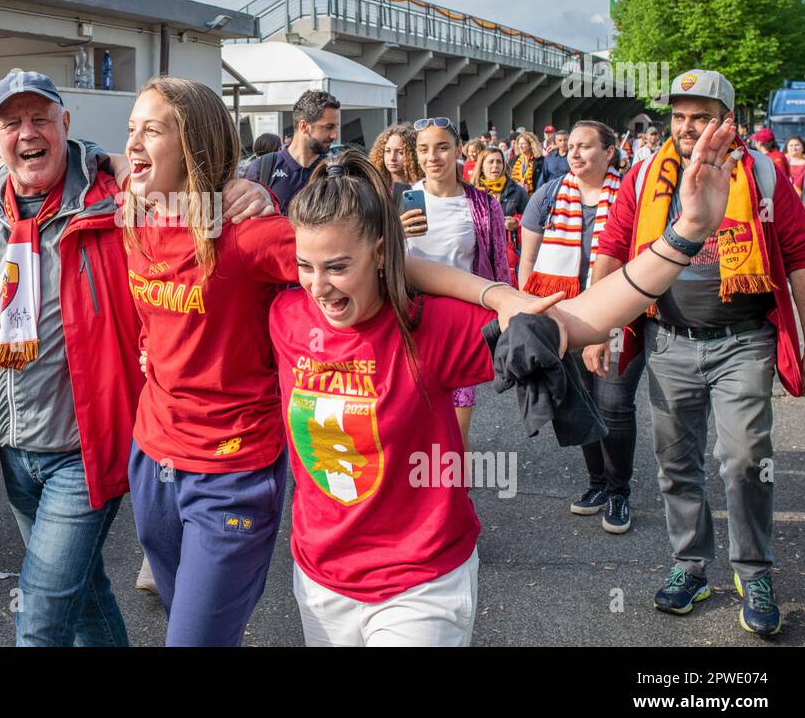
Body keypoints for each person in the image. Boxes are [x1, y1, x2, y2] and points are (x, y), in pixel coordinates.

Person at [0, 69, 272, 647]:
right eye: (12, 122)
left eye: (40, 117)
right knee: (86, 599)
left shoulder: (123, 208)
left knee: (41, 619)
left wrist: (249, 191)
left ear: (65, 125)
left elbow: (190, 195)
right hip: (12, 453)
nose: (28, 132)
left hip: (85, 456)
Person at [271, 122, 739, 646]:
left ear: (381, 254)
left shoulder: (430, 327)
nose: (319, 287)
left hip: (419, 586)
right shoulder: (286, 314)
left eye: (337, 267)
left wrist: (686, 233)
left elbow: (579, 320)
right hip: (317, 580)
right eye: (305, 267)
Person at [121, 78, 549, 646]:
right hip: (151, 453)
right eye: (132, 129)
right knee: (182, 619)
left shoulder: (246, 235)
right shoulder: (131, 204)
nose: (133, 143)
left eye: (151, 130)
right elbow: (84, 176)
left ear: (195, 142)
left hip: (230, 465)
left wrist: (495, 295)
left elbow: (378, 261)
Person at [594, 69, 805, 636]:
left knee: (744, 460)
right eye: (680, 115)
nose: (688, 126)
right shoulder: (645, 175)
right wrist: (598, 327)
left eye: (702, 115)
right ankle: (690, 565)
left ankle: (754, 570)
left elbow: (799, 255)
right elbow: (613, 250)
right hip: (668, 343)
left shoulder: (763, 173)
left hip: (744, 342)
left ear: (727, 120)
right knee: (676, 466)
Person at [519, 121, 642, 534]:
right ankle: (596, 485)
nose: (574, 154)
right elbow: (528, 257)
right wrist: (526, 306)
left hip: (621, 316)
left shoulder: (631, 196)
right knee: (580, 402)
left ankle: (619, 492)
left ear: (609, 152)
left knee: (613, 403)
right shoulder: (550, 195)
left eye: (585, 147)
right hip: (564, 317)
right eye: (569, 146)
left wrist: (607, 329)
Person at [404, 118, 514, 449]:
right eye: (424, 149)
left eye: (441, 147)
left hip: (460, 329)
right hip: (409, 327)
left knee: (455, 431)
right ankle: (416, 499)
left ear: (457, 151)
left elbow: (498, 267)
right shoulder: (399, 199)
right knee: (411, 424)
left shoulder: (483, 204)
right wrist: (393, 233)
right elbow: (375, 262)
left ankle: (455, 498)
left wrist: (506, 316)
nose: (432, 157)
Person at [243, 89, 341, 212]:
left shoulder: (334, 171)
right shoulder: (264, 167)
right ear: (304, 126)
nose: (334, 135)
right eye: (328, 127)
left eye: (336, 127)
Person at [474, 146, 528, 277]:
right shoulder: (472, 191)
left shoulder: (517, 190)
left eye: (499, 162)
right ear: (481, 166)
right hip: (479, 253)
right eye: (491, 161)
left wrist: (518, 222)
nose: (495, 165)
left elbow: (532, 219)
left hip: (508, 252)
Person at [369, 124, 421, 189]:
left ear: (413, 155)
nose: (392, 158)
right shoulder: (375, 187)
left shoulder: (421, 188)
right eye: (388, 151)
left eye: (400, 152)